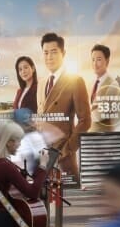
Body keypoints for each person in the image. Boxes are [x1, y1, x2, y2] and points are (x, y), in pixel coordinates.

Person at [36, 32, 92, 180]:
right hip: (44, 154)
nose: (49, 57)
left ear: (63, 53)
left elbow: (85, 121)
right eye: (46, 53)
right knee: (44, 196)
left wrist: (67, 149)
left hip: (63, 155)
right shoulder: (41, 84)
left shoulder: (75, 80)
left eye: (54, 52)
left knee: (71, 199)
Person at [12, 107, 48, 176]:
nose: (29, 125)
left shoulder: (35, 137)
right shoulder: (13, 138)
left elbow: (44, 157)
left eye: (29, 122)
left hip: (30, 178)